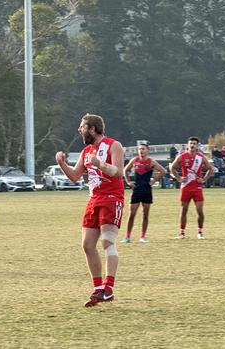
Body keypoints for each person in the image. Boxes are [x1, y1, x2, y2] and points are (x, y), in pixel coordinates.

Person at [56, 113, 124, 307]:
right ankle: (97, 289)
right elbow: (76, 176)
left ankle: (108, 288)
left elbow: (119, 172)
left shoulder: (113, 145)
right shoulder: (86, 151)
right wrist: (62, 164)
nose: (79, 130)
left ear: (92, 129)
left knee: (107, 242)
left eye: (82, 127)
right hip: (93, 199)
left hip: (111, 198)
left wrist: (100, 164)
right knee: (87, 245)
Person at [170, 137, 214, 239]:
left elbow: (210, 169)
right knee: (184, 210)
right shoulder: (182, 156)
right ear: (188, 145)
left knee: (199, 210)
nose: (192, 145)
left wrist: (203, 179)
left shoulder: (200, 157)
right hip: (185, 187)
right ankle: (182, 233)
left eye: (194, 143)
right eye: (191, 143)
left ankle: (200, 232)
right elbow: (172, 167)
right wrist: (179, 178)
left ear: (197, 146)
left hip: (197, 187)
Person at [121, 144, 166, 243]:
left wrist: (153, 181)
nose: (141, 151)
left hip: (146, 190)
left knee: (145, 214)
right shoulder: (134, 160)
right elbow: (125, 170)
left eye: (143, 149)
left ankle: (143, 236)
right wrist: (128, 182)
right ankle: (127, 236)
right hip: (136, 190)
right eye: (139, 149)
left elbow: (163, 171)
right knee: (131, 214)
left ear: (147, 151)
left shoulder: (151, 162)